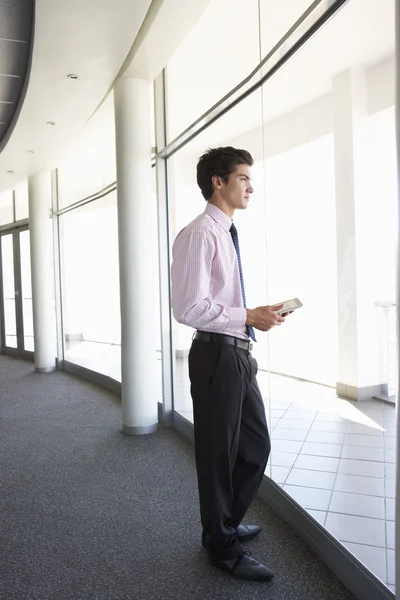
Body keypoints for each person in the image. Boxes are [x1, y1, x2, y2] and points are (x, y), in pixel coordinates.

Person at [171, 146, 290, 582]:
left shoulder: (226, 233)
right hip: (216, 355)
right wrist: (247, 315)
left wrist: (254, 315)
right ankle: (221, 545)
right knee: (218, 456)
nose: (251, 186)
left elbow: (219, 300)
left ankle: (223, 523)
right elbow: (187, 307)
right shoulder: (201, 233)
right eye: (243, 177)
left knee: (255, 447)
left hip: (237, 353)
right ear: (217, 182)